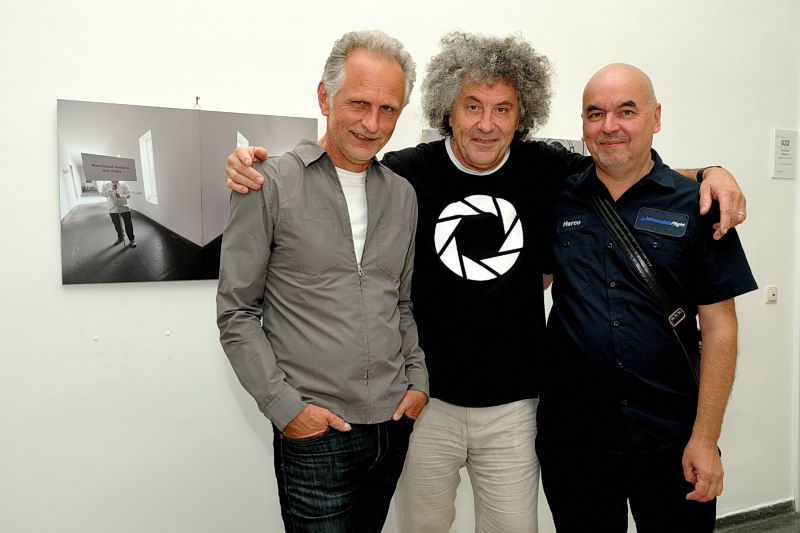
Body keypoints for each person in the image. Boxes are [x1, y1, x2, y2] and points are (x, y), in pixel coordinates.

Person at [224, 33, 748, 533]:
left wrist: (710, 173)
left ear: (522, 117)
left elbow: (622, 166)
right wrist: (253, 164)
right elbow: (340, 167)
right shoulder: (405, 174)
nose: (486, 124)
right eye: (472, 105)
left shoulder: (546, 170)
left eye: (503, 109)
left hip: (517, 407)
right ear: (447, 110)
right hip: (424, 404)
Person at [216, 30, 428, 533]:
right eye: (359, 103)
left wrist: (418, 381)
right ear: (324, 97)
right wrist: (286, 409)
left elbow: (400, 302)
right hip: (316, 433)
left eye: (388, 109)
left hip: (392, 425)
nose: (372, 123)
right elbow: (237, 313)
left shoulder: (403, 195)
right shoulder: (267, 183)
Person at [537, 63, 757, 532]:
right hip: (575, 439)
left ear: (655, 117)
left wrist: (705, 438)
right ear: (583, 123)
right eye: (595, 114)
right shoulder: (556, 198)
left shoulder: (697, 205)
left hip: (671, 438)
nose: (609, 126)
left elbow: (720, 330)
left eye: (626, 111)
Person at [101, 180, 136, 247]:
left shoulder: (124, 184)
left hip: (125, 208)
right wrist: (112, 189)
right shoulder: (105, 185)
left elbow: (129, 195)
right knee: (117, 225)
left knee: (128, 224)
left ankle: (132, 239)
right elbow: (104, 194)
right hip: (112, 209)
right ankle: (121, 237)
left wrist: (121, 196)